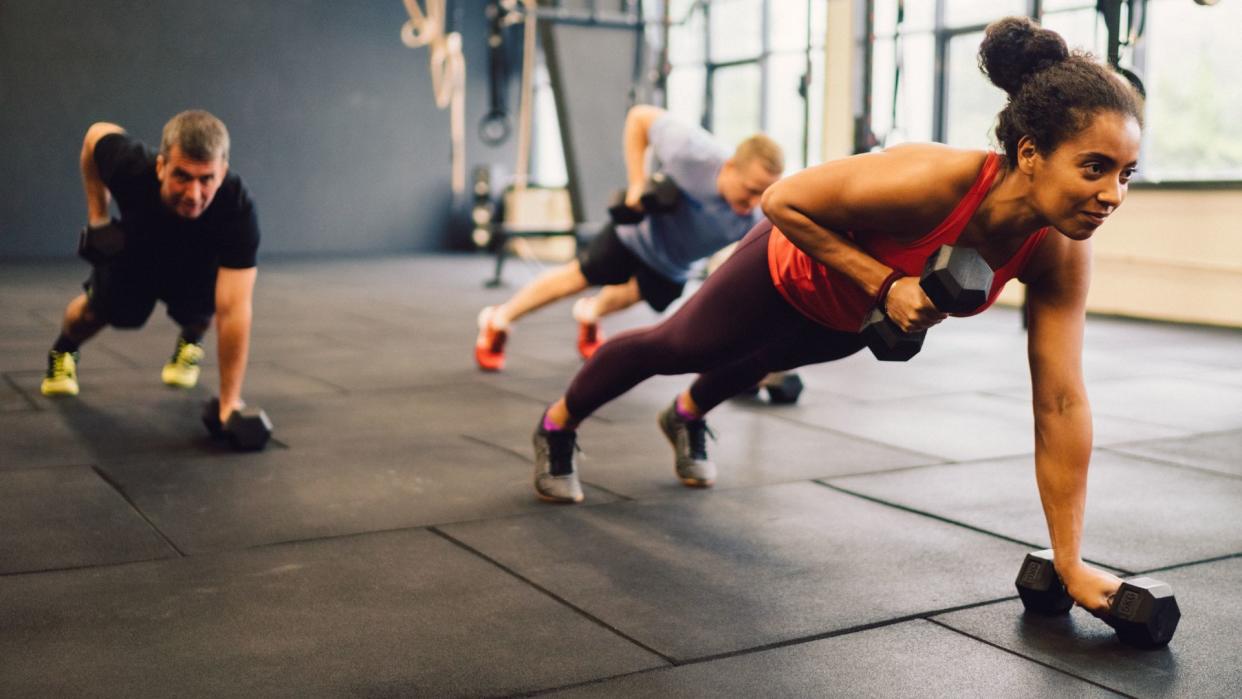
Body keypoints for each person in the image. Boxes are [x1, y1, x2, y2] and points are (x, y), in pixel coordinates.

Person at [526, 17, 1142, 616]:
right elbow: (781, 199)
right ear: (1030, 152)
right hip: (781, 271)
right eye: (1095, 168)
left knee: (763, 361)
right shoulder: (933, 179)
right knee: (679, 346)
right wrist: (887, 283)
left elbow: (1059, 401)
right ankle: (558, 426)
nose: (1113, 194)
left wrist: (1070, 560)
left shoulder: (1060, 253)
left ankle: (687, 415)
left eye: (1126, 174)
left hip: (846, 321)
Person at [474, 105, 784, 371]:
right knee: (577, 278)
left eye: (765, 193)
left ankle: (590, 313)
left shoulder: (763, 213)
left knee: (627, 296)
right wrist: (636, 183)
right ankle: (498, 320)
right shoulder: (694, 151)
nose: (757, 202)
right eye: (751, 190)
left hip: (675, 264)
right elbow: (639, 118)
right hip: (637, 234)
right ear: (729, 167)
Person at [42, 110, 261, 428]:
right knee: (96, 314)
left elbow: (234, 310)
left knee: (206, 311)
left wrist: (229, 403)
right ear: (161, 166)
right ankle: (63, 351)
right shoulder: (129, 166)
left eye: (206, 179)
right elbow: (95, 134)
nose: (193, 194)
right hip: (136, 253)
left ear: (222, 171)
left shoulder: (238, 208)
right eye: (182, 176)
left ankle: (190, 342)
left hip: (196, 262)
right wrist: (98, 218)